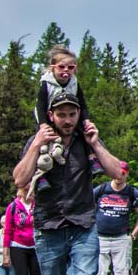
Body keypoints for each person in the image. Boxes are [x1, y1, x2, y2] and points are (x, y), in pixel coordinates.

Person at [13, 90, 124, 275]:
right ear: (51, 116)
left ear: (78, 115)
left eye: (72, 114)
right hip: (48, 226)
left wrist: (96, 142)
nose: (67, 119)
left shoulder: (84, 143)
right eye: (61, 114)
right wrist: (37, 143)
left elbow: (117, 172)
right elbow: (19, 179)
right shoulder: (39, 142)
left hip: (82, 224)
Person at [29, 45, 101, 197]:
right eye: (61, 67)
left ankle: (92, 158)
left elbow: (83, 104)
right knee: (43, 144)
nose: (66, 70)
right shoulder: (46, 83)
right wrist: (43, 124)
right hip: (48, 117)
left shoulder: (74, 83)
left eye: (71, 67)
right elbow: (40, 105)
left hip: (71, 115)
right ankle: (41, 175)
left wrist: (86, 120)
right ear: (53, 68)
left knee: (85, 133)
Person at [3, 188, 42, 275]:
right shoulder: (13, 207)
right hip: (17, 246)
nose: (29, 193)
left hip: (37, 245)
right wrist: (5, 254)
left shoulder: (39, 205)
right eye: (26, 191)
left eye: (32, 190)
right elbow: (7, 231)